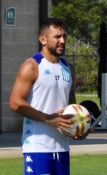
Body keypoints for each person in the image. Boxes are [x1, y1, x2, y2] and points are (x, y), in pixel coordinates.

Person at [10, 18, 77, 175]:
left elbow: (71, 106)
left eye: (64, 37)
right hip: (37, 147)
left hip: (62, 148)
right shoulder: (32, 66)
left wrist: (78, 126)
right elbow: (15, 103)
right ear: (43, 39)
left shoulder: (68, 68)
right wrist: (48, 119)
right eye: (57, 37)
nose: (62, 41)